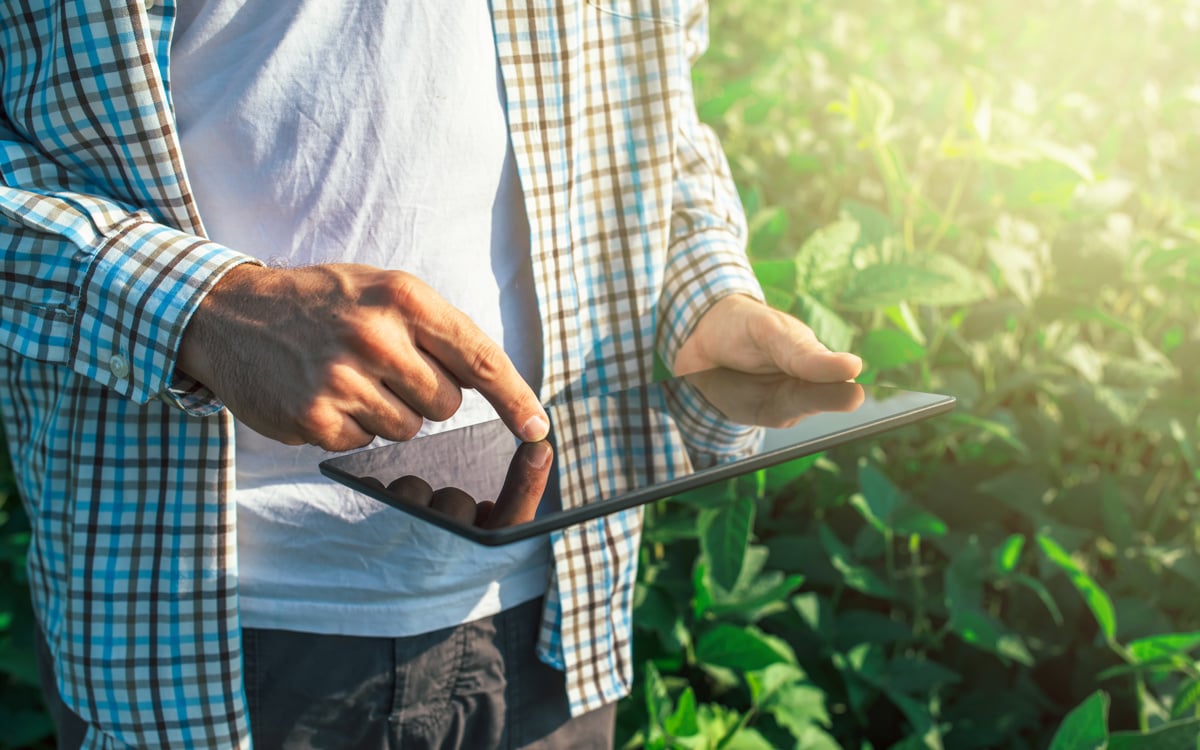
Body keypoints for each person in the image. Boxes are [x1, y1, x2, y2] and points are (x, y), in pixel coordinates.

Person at [0, 1, 862, 748]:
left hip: (558, 612)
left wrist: (702, 293)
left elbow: (653, 103)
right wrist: (202, 309)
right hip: (206, 637)